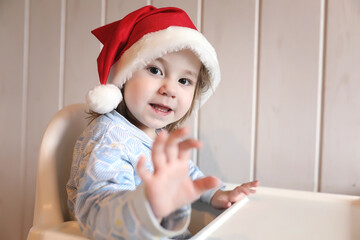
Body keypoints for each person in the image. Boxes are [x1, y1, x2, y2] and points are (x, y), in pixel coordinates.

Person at [66, 5, 259, 240]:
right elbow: (95, 209)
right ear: (124, 77)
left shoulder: (156, 136)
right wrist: (146, 206)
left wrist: (215, 194)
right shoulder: (110, 136)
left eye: (185, 80)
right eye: (155, 70)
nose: (170, 89)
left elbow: (186, 174)